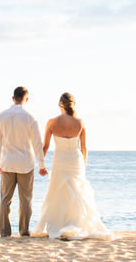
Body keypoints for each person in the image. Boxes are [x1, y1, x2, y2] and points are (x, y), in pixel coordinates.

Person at [34, 92, 114, 240]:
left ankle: (60, 224)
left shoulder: (52, 122)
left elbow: (44, 146)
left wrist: (41, 164)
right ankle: (76, 223)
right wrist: (83, 165)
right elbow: (84, 147)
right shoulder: (80, 122)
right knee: (77, 192)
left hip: (60, 160)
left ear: (60, 105)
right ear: (73, 105)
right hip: (75, 161)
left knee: (58, 192)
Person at [0, 85, 48, 237]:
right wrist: (41, 164)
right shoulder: (30, 117)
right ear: (26, 99)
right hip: (25, 163)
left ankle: (4, 232)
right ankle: (23, 231)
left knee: (5, 199)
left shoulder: (1, 116)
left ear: (13, 98)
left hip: (8, 162)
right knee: (26, 200)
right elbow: (37, 143)